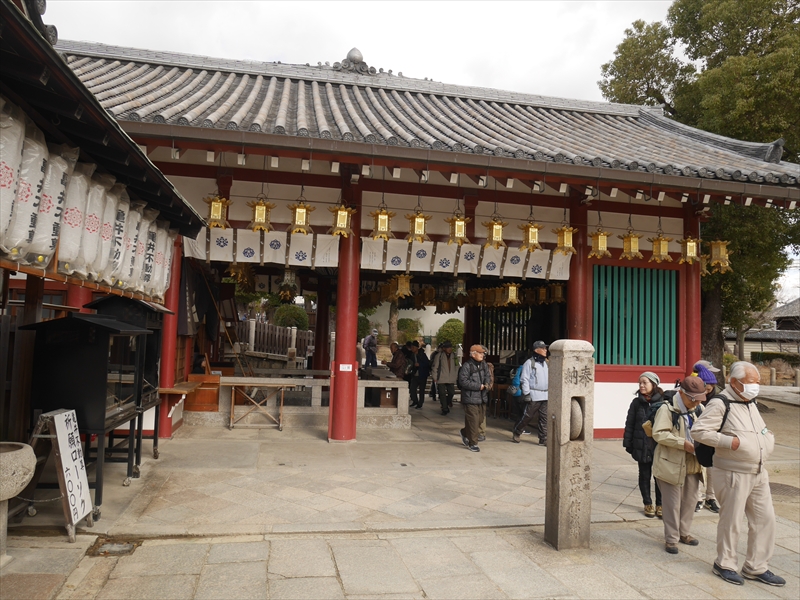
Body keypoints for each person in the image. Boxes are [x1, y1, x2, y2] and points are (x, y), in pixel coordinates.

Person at [692, 361, 785, 587]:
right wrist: (729, 442)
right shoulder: (721, 403)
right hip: (732, 472)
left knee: (765, 520)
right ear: (734, 382)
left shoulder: (750, 402)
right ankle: (724, 564)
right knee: (731, 521)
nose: (756, 386)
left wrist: (768, 438)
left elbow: (759, 429)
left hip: (758, 471)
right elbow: (699, 431)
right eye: (751, 382)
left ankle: (756, 566)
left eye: (757, 382)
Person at [652, 375, 705, 554]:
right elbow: (659, 434)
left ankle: (685, 533)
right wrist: (683, 443)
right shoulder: (667, 409)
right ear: (681, 393)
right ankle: (671, 539)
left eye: (699, 399)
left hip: (693, 461)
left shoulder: (699, 409)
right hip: (670, 463)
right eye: (693, 399)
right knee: (672, 503)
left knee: (690, 500)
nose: (696, 403)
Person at [623, 371, 666, 519]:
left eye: (645, 383)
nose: (641, 385)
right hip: (641, 444)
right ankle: (647, 503)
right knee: (644, 475)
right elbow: (630, 424)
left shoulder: (663, 402)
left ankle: (660, 504)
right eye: (640, 383)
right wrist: (628, 443)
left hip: (658, 445)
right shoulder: (636, 403)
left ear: (653, 384)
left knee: (659, 476)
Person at [693, 361, 721, 514]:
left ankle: (711, 497)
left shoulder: (717, 397)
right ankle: (697, 497)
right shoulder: (692, 393)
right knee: (697, 468)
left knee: (711, 469)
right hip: (696, 436)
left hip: (712, 436)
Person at [511, 341, 548, 445]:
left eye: (545, 348)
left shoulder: (545, 363)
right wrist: (526, 393)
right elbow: (524, 379)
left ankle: (543, 439)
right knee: (528, 416)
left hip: (545, 394)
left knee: (544, 418)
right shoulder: (529, 363)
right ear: (536, 350)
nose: (545, 350)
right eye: (543, 348)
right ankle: (517, 431)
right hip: (534, 394)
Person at [457, 344, 491, 452]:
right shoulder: (467, 366)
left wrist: (487, 384)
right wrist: (478, 386)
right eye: (480, 353)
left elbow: (488, 376)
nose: (482, 355)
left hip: (482, 397)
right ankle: (473, 443)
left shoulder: (484, 365)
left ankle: (464, 432)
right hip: (470, 398)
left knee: (479, 421)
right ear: (473, 354)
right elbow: (463, 381)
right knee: (473, 421)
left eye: (483, 353)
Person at [432, 341, 457, 415]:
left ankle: (446, 403)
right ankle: (445, 408)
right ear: (444, 348)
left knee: (451, 392)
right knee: (442, 393)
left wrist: (456, 375)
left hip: (451, 377)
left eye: (450, 347)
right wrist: (435, 377)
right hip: (441, 377)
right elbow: (435, 367)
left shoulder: (454, 356)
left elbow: (457, 366)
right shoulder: (439, 356)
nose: (450, 349)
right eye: (448, 347)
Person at [477, 344, 493, 442]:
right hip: (472, 393)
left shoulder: (487, 366)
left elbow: (489, 380)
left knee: (481, 414)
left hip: (482, 393)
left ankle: (481, 432)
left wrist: (485, 387)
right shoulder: (469, 365)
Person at [410, 340, 430, 409]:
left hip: (422, 374)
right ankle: (415, 400)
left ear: (416, 348)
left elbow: (427, 363)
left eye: (413, 347)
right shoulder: (412, 355)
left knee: (421, 390)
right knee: (412, 389)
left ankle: (420, 403)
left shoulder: (422, 354)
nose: (412, 349)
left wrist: (420, 364)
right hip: (415, 374)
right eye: (411, 347)